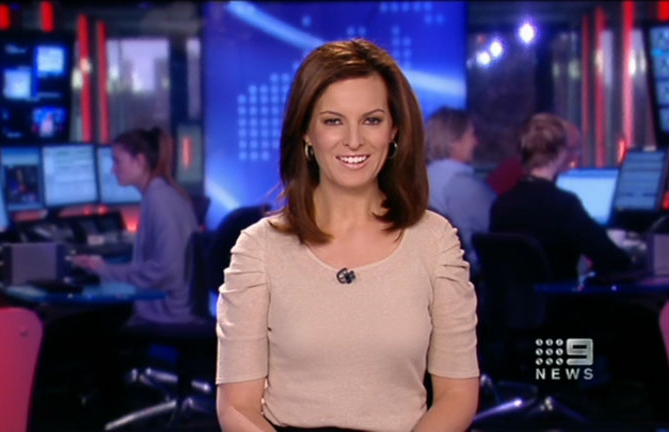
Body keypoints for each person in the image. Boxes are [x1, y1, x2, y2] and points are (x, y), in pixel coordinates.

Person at [216, 39, 480, 432]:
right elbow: (237, 407)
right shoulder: (260, 248)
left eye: (371, 120)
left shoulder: (435, 241)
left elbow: (457, 394)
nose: (354, 140)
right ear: (306, 132)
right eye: (333, 121)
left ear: (394, 131)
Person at [71, 127, 199, 325]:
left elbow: (165, 271)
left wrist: (104, 269)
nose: (113, 170)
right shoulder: (161, 194)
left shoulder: (159, 201)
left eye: (117, 161)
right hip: (169, 311)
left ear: (140, 161)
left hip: (166, 317)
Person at [489, 113, 630, 281]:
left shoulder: (501, 205)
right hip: (561, 296)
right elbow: (613, 259)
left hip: (512, 299)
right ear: (560, 153)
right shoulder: (564, 205)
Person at [425, 107, 495, 271]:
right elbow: (499, 226)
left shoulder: (419, 178)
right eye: (471, 135)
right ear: (453, 143)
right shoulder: (462, 184)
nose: (476, 142)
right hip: (468, 272)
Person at [486, 117, 582, 195]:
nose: (574, 158)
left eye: (578, 150)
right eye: (571, 149)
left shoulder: (561, 182)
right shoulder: (513, 172)